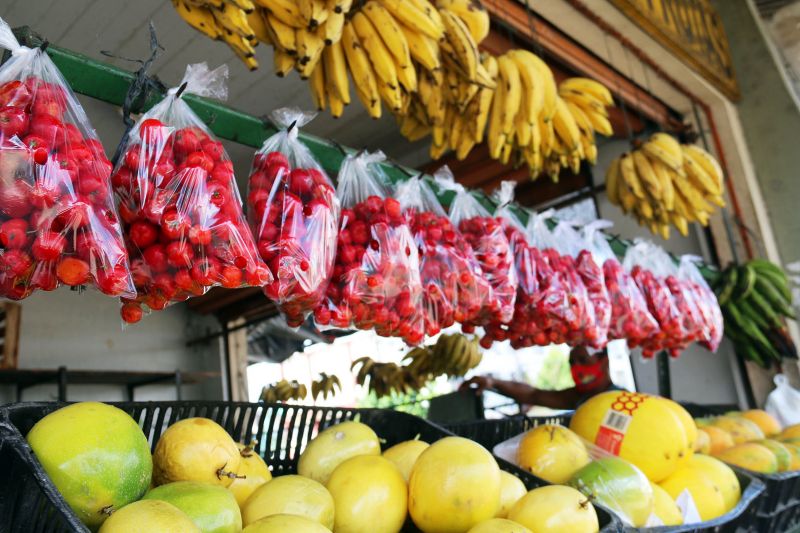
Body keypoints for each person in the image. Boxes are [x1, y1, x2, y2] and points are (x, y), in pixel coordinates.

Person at [459, 345, 620, 410]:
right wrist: (492, 381)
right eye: (572, 363)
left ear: (604, 362)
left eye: (583, 360)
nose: (576, 368)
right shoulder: (578, 397)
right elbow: (533, 395)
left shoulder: (623, 400)